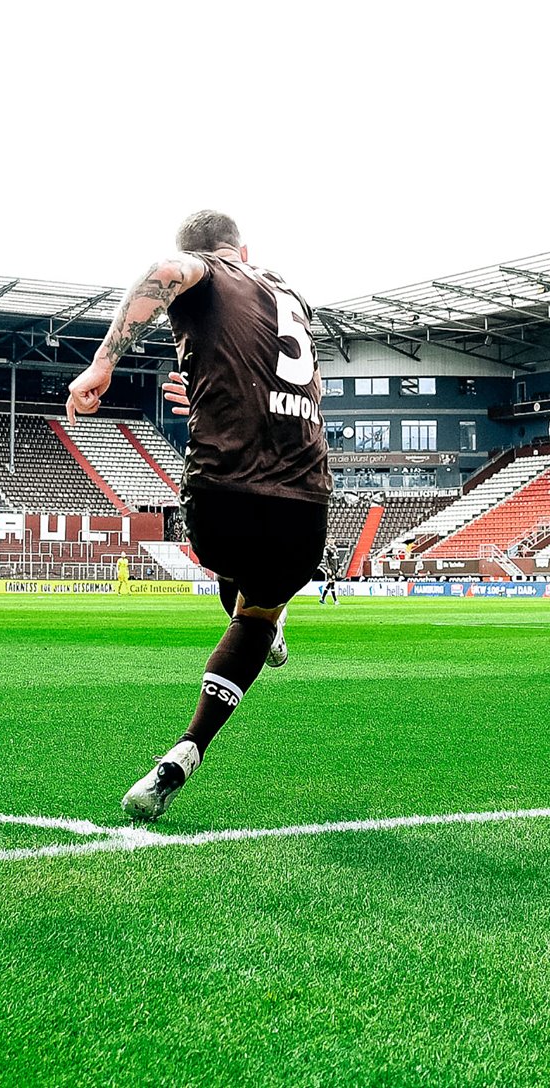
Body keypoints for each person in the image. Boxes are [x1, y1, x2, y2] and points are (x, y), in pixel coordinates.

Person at [66, 210, 329, 823]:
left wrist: (103, 363)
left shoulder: (206, 269)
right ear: (245, 249)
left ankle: (262, 617)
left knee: (231, 563)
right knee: (258, 611)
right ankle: (188, 750)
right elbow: (281, 381)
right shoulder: (290, 295)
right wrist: (212, 389)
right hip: (306, 499)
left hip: (224, 493)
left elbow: (165, 272)